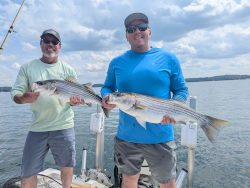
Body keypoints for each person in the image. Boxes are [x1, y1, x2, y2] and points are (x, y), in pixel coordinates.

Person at [101, 13, 188, 188]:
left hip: (161, 135)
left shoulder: (169, 58)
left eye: (141, 27)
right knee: (129, 180)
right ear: (126, 35)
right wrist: (106, 97)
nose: (137, 31)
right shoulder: (117, 62)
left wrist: (174, 108)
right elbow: (107, 87)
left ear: (149, 31)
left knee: (167, 183)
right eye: (131, 29)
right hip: (126, 137)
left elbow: (181, 90)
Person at [10, 29, 84, 188]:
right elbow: (15, 91)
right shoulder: (27, 67)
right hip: (37, 127)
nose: (50, 44)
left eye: (54, 42)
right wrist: (23, 98)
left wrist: (74, 102)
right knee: (28, 170)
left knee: (67, 165)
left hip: (64, 125)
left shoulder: (68, 69)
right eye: (46, 41)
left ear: (60, 46)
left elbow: (71, 98)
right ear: (41, 44)